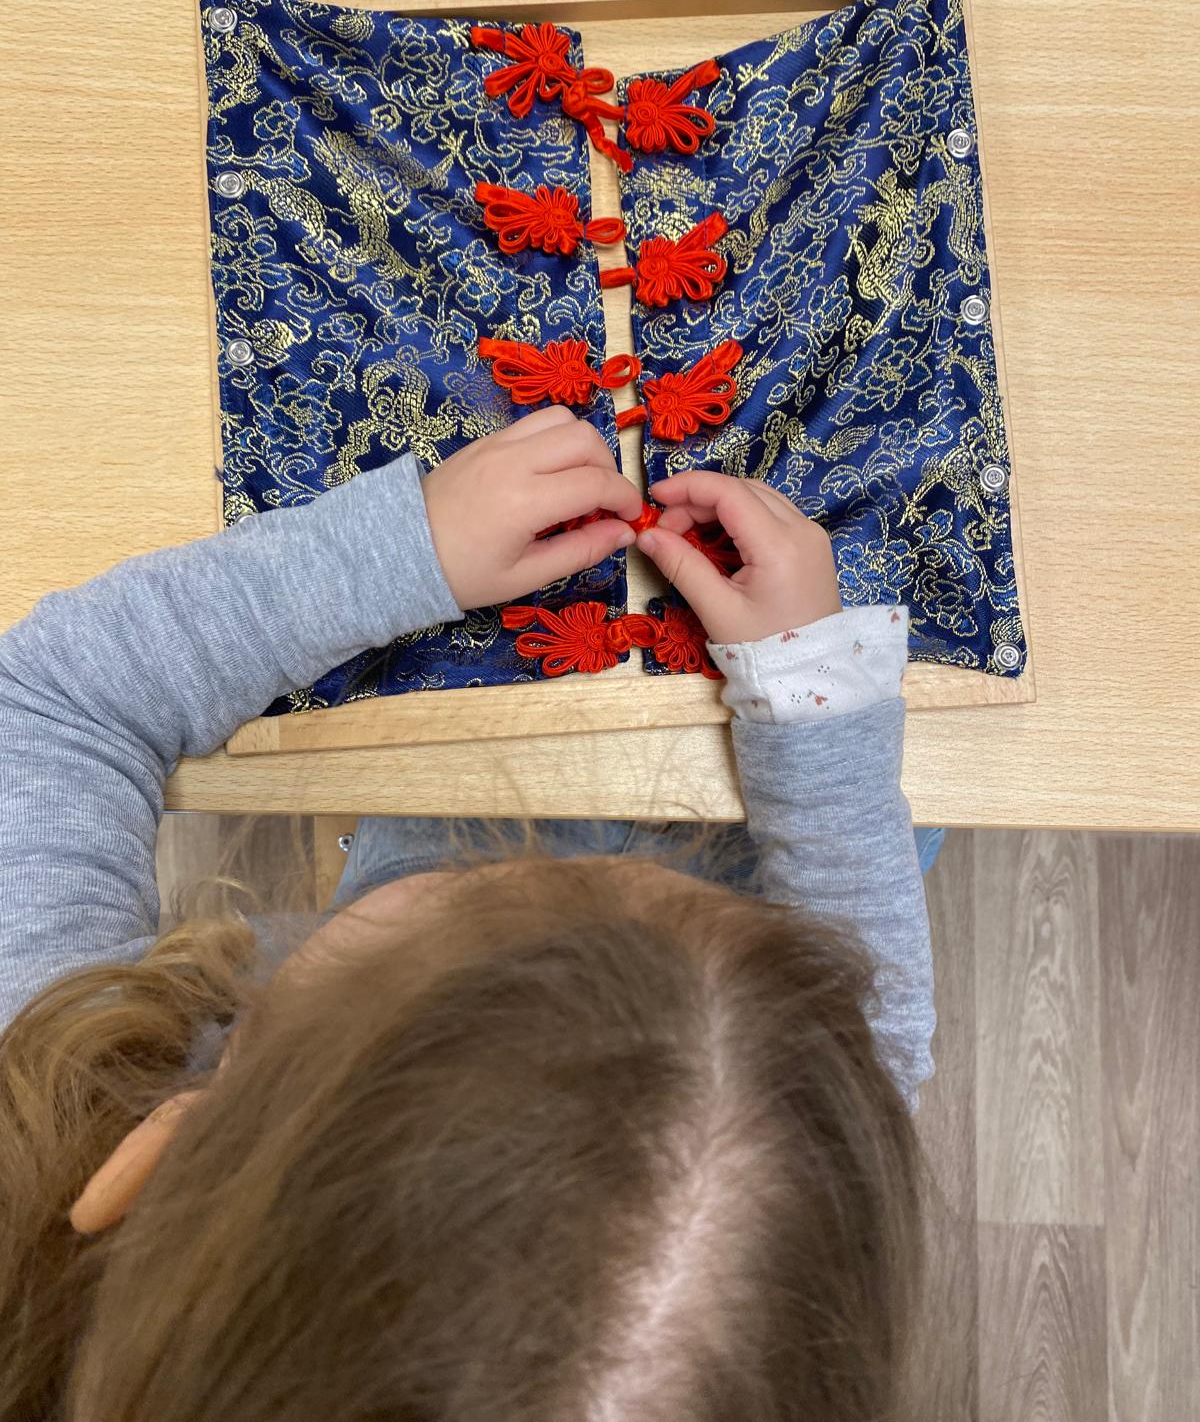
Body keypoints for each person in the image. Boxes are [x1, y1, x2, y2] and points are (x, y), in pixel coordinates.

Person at [0, 408, 936, 1421]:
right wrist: (816, 698)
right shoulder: (790, 1159)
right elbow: (864, 1047)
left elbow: (54, 707)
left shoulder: (49, 1091)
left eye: (473, 888)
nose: (574, 859)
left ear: (162, 1145)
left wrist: (393, 554)